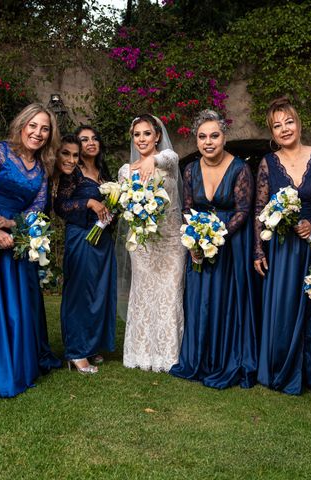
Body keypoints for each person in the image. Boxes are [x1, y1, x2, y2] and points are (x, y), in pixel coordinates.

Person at [0, 103, 62, 397]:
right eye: (33, 126)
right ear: (22, 125)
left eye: (45, 128)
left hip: (17, 238)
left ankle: (17, 365)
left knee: (17, 306)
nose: (38, 133)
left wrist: (15, 225)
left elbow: (38, 206)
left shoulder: (43, 166)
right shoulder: (1, 152)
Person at [169, 109, 259, 389]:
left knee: (224, 299)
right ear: (197, 140)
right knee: (199, 299)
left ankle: (224, 359)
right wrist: (196, 241)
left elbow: (243, 210)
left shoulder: (240, 168)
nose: (209, 142)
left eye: (214, 136)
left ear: (224, 137)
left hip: (230, 245)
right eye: (202, 137)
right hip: (198, 244)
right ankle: (198, 358)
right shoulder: (190, 169)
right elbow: (186, 208)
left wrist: (216, 238)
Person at [253, 98, 311, 394]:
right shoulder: (268, 163)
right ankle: (281, 368)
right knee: (283, 309)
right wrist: (258, 250)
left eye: (288, 122)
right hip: (283, 250)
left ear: (299, 123)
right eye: (277, 125)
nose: (284, 129)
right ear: (272, 134)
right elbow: (259, 208)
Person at [117, 114, 185, 372]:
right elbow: (126, 205)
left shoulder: (168, 160)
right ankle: (141, 354)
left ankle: (168, 355)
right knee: (144, 294)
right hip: (143, 243)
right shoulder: (126, 170)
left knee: (169, 293)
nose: (142, 139)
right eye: (137, 134)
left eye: (147, 133)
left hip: (170, 240)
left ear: (157, 136)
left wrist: (152, 160)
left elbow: (169, 157)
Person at [54, 126, 116, 374]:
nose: (90, 143)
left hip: (103, 238)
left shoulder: (103, 171)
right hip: (82, 237)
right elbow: (61, 206)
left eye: (94, 138)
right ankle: (76, 352)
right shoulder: (73, 172)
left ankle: (91, 345)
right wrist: (89, 202)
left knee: (99, 293)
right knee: (80, 293)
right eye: (84, 139)